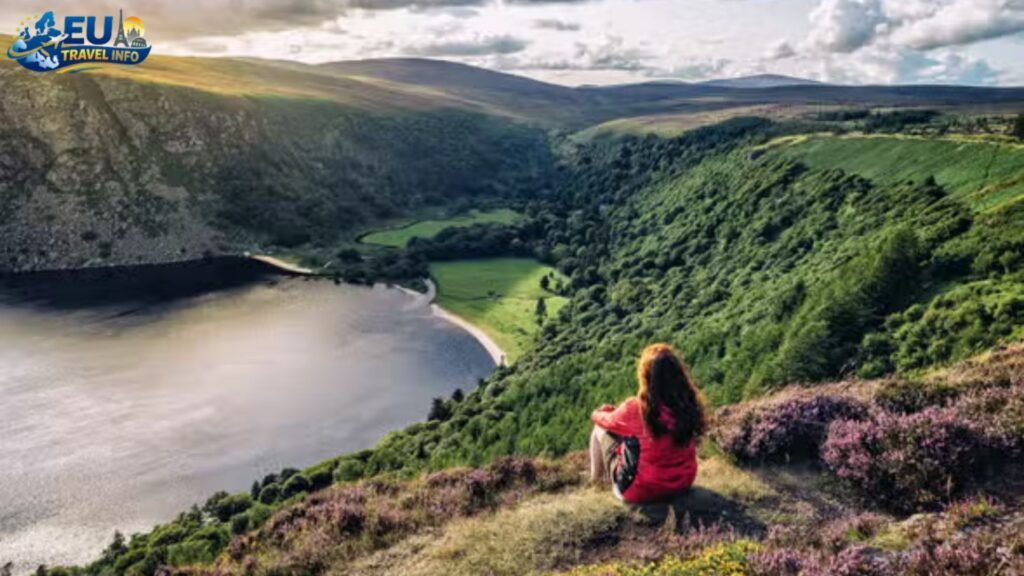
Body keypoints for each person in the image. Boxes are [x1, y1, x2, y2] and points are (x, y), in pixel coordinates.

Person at [589, 343, 708, 503]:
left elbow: (604, 421)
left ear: (645, 376)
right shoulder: (688, 404)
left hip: (639, 490)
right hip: (682, 484)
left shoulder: (635, 408)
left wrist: (598, 412)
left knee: (599, 429)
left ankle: (594, 485)